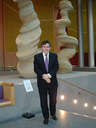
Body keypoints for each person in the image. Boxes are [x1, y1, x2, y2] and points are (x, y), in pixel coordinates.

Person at [34, 40, 59, 125]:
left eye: (47, 47)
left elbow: (56, 67)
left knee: (53, 100)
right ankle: (46, 117)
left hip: (53, 82)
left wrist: (49, 76)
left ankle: (53, 114)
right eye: (44, 47)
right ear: (42, 48)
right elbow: (36, 69)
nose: (46, 48)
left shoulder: (54, 56)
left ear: (50, 48)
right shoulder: (37, 57)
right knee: (43, 101)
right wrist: (44, 76)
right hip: (42, 83)